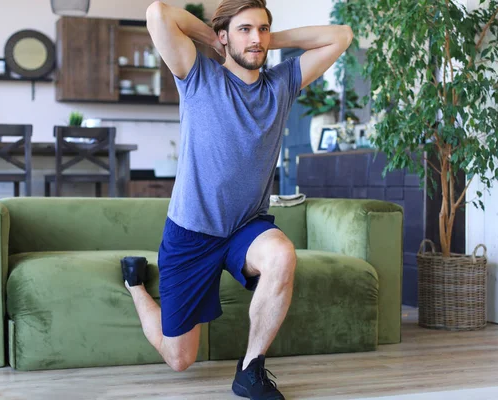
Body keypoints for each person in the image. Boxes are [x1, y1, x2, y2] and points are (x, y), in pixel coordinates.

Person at [120, 1, 353, 398]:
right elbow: (158, 12)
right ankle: (134, 284)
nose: (256, 38)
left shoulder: (280, 85)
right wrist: (216, 39)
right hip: (192, 234)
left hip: (247, 225)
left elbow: (341, 36)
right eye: (245, 29)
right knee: (179, 359)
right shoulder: (197, 75)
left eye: (262, 29)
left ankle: (250, 371)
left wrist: (264, 40)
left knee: (282, 255)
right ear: (225, 35)